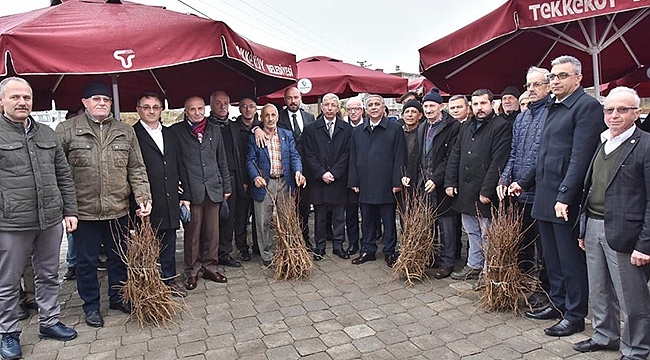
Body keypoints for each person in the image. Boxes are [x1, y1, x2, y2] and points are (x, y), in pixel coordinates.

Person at [510, 55, 605, 337]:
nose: (556, 81)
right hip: (542, 194)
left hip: (565, 199)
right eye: (553, 76)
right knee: (551, 258)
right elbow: (542, 152)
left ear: (578, 78)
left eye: (562, 76)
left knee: (569, 259)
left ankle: (575, 314)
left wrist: (564, 195)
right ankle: (558, 302)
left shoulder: (586, 107)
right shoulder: (553, 106)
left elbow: (580, 157)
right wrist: (523, 181)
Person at [57, 81, 152, 328]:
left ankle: (118, 298)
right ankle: (90, 307)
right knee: (85, 262)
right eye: (96, 99)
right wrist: (67, 209)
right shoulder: (67, 130)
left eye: (106, 100)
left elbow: (136, 168)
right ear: (85, 102)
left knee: (118, 258)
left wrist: (143, 197)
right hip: (83, 212)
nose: (102, 103)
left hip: (117, 209)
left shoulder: (124, 131)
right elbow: (57, 172)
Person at [0, 77, 78, 360]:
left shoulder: (47, 134)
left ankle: (50, 322)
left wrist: (70, 210)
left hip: (50, 219)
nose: (22, 102)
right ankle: (8, 333)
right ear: (2, 102)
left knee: (48, 275)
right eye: (15, 97)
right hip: (11, 223)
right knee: (7, 282)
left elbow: (63, 176)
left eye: (27, 97)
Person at [572, 86, 650, 359]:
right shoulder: (603, 141)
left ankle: (637, 348)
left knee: (633, 297)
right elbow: (591, 186)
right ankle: (605, 335)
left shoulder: (646, 145)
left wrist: (645, 244)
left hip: (626, 233)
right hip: (593, 225)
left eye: (622, 109)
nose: (614, 115)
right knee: (599, 288)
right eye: (609, 109)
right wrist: (583, 228)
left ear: (637, 112)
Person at [497, 67, 552, 308]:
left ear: (548, 87)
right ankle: (525, 280)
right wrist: (504, 180)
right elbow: (514, 153)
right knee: (524, 242)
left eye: (537, 84)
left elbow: (541, 155)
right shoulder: (522, 117)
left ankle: (546, 289)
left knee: (546, 247)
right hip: (519, 194)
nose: (531, 89)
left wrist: (523, 181)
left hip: (541, 191)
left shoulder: (551, 113)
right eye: (529, 84)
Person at [445, 89, 512, 281]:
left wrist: (487, 190)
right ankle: (473, 265)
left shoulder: (501, 126)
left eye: (483, 103)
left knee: (487, 234)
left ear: (492, 104)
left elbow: (499, 160)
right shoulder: (466, 126)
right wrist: (449, 181)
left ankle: (488, 270)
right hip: (465, 189)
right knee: (471, 231)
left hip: (484, 190)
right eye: (476, 104)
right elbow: (456, 154)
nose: (479, 108)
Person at [170, 96, 231, 290]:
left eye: (199, 109)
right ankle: (192, 271)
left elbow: (222, 160)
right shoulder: (176, 132)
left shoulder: (214, 130)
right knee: (193, 234)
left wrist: (226, 187)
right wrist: (181, 193)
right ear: (186, 111)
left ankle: (210, 267)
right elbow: (176, 164)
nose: (197, 112)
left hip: (213, 188)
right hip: (191, 191)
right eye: (192, 109)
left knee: (213, 233)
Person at [133, 92, 190, 297]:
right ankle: (147, 282)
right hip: (146, 199)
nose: (151, 111)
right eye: (146, 107)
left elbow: (180, 163)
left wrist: (185, 195)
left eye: (155, 107)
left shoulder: (170, 134)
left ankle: (169, 280)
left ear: (161, 110)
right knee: (146, 242)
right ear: (138, 109)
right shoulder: (133, 134)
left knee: (169, 241)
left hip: (170, 196)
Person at [402, 89, 461, 279]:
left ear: (440, 107)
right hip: (422, 182)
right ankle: (430, 255)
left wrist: (436, 179)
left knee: (446, 225)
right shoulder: (422, 127)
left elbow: (451, 157)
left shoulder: (451, 127)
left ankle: (447, 262)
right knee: (427, 222)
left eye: (432, 106)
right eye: (425, 106)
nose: (428, 109)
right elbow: (416, 155)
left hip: (442, 184)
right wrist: (409, 175)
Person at [348, 95, 407, 268]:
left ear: (383, 107)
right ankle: (368, 249)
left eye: (377, 104)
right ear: (366, 109)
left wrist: (397, 181)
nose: (373, 107)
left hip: (387, 183)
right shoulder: (358, 131)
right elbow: (353, 157)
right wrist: (354, 181)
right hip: (365, 183)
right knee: (366, 219)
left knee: (388, 220)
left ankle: (390, 251)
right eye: (370, 105)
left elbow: (400, 156)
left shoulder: (395, 128)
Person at [246, 104, 306, 267]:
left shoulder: (287, 135)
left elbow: (294, 155)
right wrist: (255, 176)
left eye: (273, 115)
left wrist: (298, 171)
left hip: (285, 181)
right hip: (265, 183)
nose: (271, 118)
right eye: (267, 115)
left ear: (278, 117)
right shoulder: (255, 137)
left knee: (287, 219)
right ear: (262, 117)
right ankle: (266, 255)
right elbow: (250, 160)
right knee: (263, 220)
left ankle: (288, 251)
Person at [303, 94, 352, 261]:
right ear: (321, 107)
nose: (330, 108)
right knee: (320, 216)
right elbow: (308, 154)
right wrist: (322, 173)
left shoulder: (347, 129)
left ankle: (338, 245)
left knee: (339, 216)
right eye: (327, 105)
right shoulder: (311, 129)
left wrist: (335, 173)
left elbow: (347, 153)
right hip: (319, 180)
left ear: (338, 108)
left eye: (333, 105)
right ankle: (320, 246)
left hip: (338, 179)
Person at [207, 90, 246, 267]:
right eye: (218, 103)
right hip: (212, 180)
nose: (223, 106)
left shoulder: (234, 127)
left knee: (230, 218)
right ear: (211, 105)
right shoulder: (206, 126)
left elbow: (242, 154)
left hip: (232, 178)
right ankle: (209, 256)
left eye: (226, 103)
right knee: (211, 221)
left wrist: (243, 180)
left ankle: (224, 252)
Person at [232, 98, 259, 261]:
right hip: (241, 178)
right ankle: (242, 248)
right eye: (244, 107)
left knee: (259, 216)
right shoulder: (234, 128)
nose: (248, 110)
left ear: (256, 109)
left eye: (251, 106)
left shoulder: (262, 126)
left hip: (259, 179)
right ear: (239, 109)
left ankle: (258, 245)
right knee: (241, 216)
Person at [343, 97, 364, 255]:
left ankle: (368, 242)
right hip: (348, 178)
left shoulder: (369, 126)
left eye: (356, 109)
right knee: (351, 213)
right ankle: (353, 243)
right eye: (350, 109)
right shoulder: (344, 128)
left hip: (368, 177)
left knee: (368, 213)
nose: (353, 112)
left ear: (362, 110)